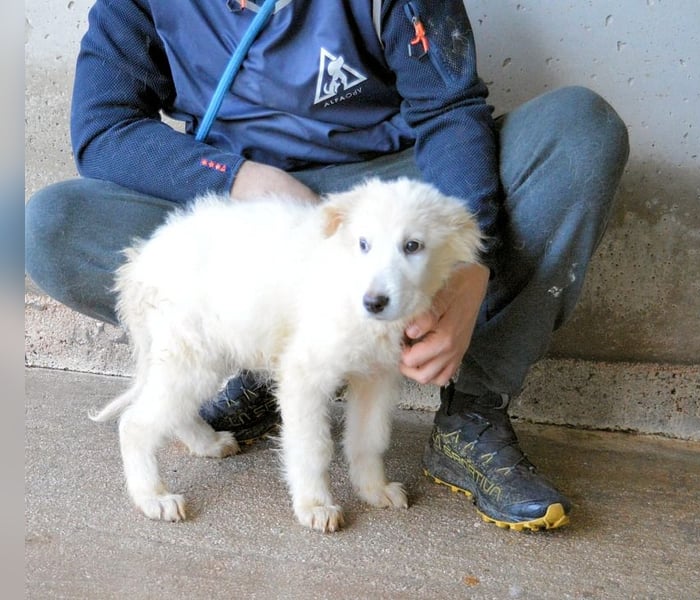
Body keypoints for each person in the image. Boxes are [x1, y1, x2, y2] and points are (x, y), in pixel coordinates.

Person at [25, 0, 629, 531]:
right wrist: (239, 178)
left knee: (578, 132)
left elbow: (448, 111)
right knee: (52, 225)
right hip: (250, 213)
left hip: (383, 196)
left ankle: (473, 406)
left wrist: (475, 262)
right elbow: (103, 129)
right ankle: (263, 359)